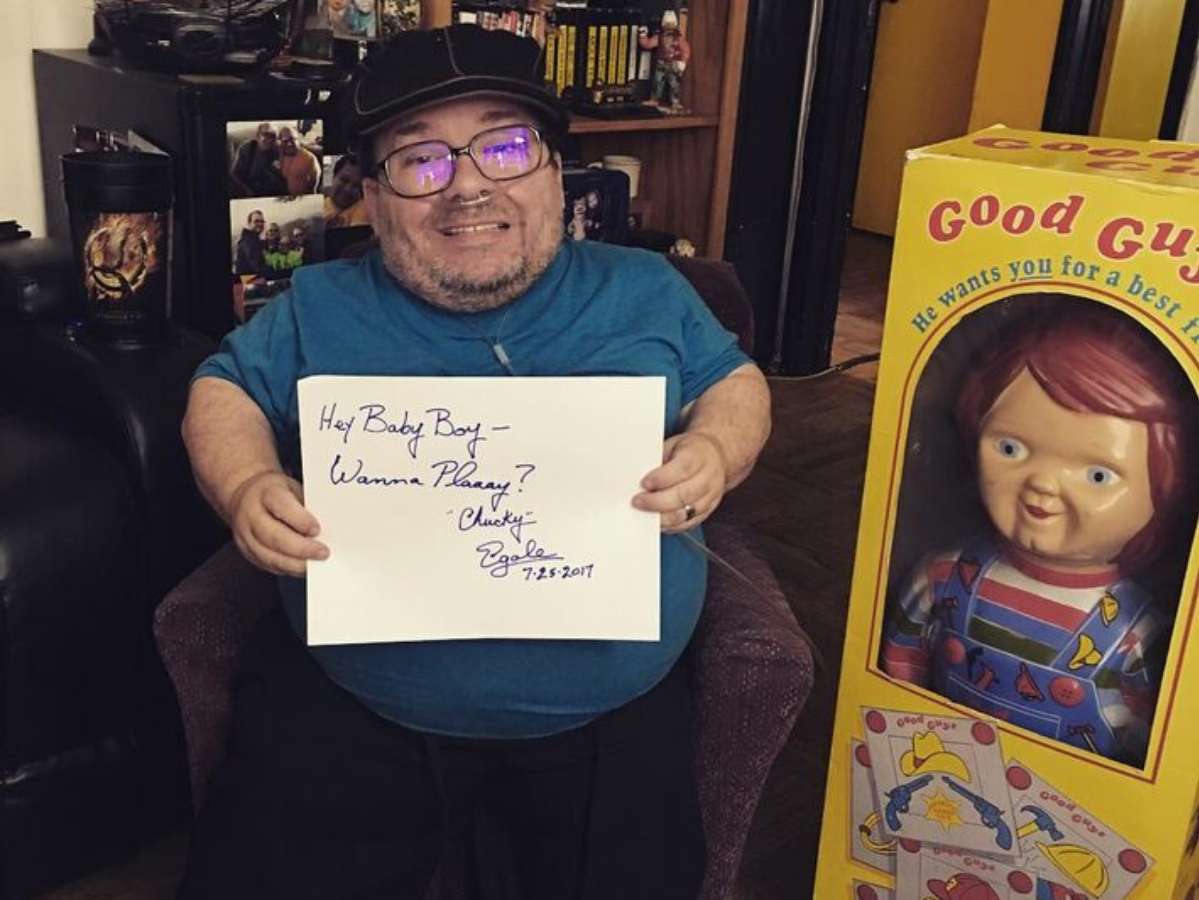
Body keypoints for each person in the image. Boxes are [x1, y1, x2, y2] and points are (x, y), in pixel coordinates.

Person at [178, 24, 770, 900]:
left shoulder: (646, 290)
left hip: (608, 710)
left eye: (505, 146)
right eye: (420, 159)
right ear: (373, 198)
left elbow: (735, 382)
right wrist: (247, 485)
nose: (467, 186)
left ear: (555, 173)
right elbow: (221, 391)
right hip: (356, 697)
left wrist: (715, 447)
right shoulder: (316, 304)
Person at [881, 302, 1196, 766]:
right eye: (1010, 448)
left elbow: (1153, 757)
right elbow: (897, 674)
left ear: (1168, 491)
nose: (1043, 484)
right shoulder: (941, 577)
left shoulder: (1139, 634)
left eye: (1098, 475)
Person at [230, 123, 288, 198]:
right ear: (258, 136)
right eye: (266, 134)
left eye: (273, 136)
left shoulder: (279, 149)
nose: (270, 139)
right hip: (250, 190)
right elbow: (235, 174)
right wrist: (246, 190)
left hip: (273, 192)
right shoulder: (247, 149)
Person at [323, 153, 371, 228]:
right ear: (333, 177)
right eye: (344, 180)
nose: (348, 189)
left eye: (356, 186)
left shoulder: (368, 212)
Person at [277, 126, 322, 195]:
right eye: (285, 141)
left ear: (298, 140)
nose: (289, 144)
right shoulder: (279, 154)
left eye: (292, 139)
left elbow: (314, 183)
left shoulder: (309, 158)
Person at [232, 209, 267, 277]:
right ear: (249, 223)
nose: (260, 224)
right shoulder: (248, 241)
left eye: (262, 221)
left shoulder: (252, 239)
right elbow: (258, 268)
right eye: (256, 221)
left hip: (250, 280)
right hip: (249, 281)